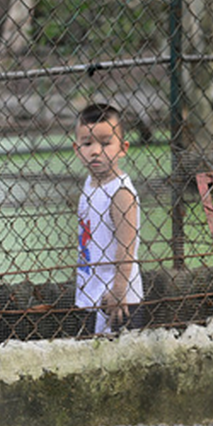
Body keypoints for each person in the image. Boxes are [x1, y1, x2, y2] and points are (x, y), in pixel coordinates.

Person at [74, 103, 143, 335]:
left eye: (105, 143)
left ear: (122, 148)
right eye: (87, 143)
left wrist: (119, 289)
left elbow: (127, 245)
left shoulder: (120, 193)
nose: (95, 151)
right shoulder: (90, 183)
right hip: (93, 291)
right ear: (77, 149)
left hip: (119, 299)